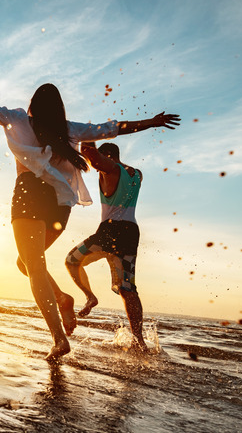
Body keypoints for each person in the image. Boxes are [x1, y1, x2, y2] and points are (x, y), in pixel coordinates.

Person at [0, 54, 152, 360]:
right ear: (59, 109)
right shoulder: (69, 129)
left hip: (30, 195)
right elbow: (111, 128)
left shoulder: (19, 119)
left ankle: (59, 338)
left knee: (33, 266)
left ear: (32, 104)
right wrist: (151, 122)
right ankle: (63, 298)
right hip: (60, 206)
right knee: (27, 264)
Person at [65, 128, 179, 352]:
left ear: (109, 157)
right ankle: (139, 341)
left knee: (72, 260)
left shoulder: (111, 168)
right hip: (130, 230)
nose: (97, 169)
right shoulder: (136, 173)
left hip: (110, 230)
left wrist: (88, 130)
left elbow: (91, 154)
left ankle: (90, 297)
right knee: (128, 288)